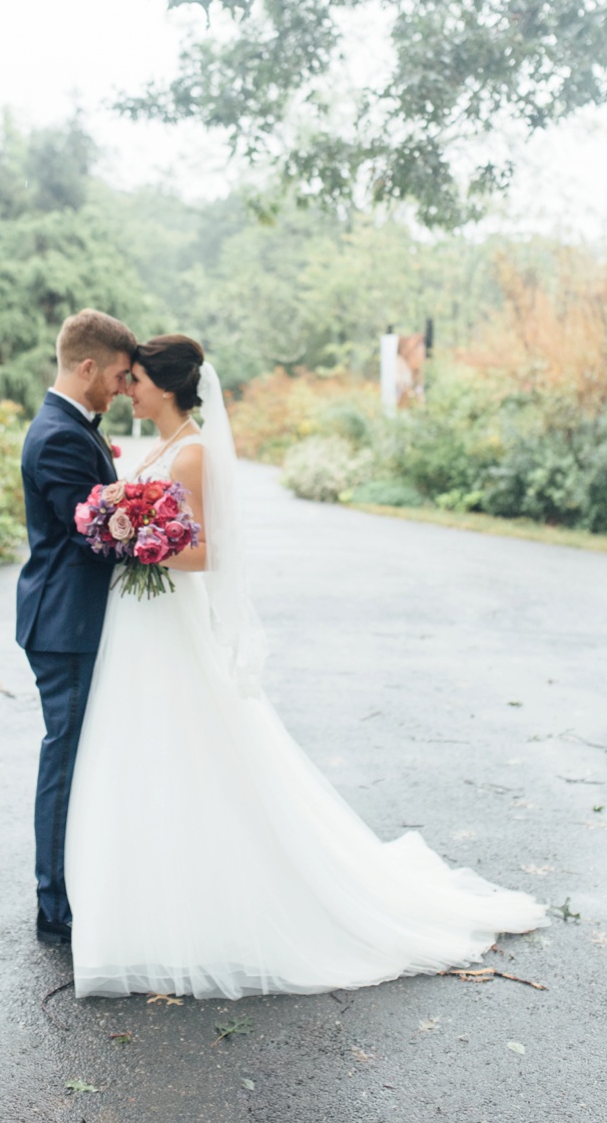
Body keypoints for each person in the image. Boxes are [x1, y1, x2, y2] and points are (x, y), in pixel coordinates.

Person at [62, 334, 545, 998]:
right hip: (142, 620)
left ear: (166, 389)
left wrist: (140, 545)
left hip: (169, 614)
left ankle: (201, 910)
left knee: (191, 744)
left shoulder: (195, 453)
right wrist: (120, 526)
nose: (128, 390)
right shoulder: (161, 448)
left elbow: (210, 554)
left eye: (137, 381)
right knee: (144, 750)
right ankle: (148, 900)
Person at [16, 308, 137, 947]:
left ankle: (69, 889)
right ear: (86, 366)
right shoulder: (61, 434)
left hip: (72, 617)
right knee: (64, 759)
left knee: (78, 755)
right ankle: (55, 906)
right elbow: (93, 534)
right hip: (66, 623)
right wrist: (150, 527)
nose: (122, 388)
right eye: (118, 376)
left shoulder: (72, 425)